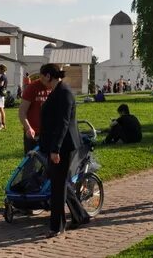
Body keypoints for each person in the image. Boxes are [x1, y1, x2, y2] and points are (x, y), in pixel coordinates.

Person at [38, 64, 89, 237]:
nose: (39, 79)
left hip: (63, 146)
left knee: (57, 187)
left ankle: (57, 226)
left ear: (48, 75)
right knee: (60, 184)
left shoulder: (64, 92)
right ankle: (80, 215)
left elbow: (64, 123)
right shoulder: (56, 91)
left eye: (41, 76)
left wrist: (56, 149)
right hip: (54, 144)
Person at [19, 73, 51, 155]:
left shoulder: (55, 87)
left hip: (49, 133)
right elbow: (22, 111)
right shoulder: (32, 87)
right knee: (31, 163)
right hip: (33, 134)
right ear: (42, 76)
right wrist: (28, 128)